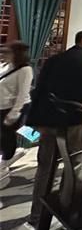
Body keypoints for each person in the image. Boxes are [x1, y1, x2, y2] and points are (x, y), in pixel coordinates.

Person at [25, 29, 82, 230]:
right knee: (76, 166)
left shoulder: (54, 59)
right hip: (75, 122)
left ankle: (36, 215)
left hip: (49, 121)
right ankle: (70, 211)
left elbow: (40, 90)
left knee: (45, 168)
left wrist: (36, 120)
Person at [0, 42, 33, 180]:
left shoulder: (25, 70)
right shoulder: (5, 66)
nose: (2, 54)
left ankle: (5, 163)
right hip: (2, 106)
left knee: (7, 135)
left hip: (14, 106)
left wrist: (14, 112)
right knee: (5, 133)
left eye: (7, 52)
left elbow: (22, 93)